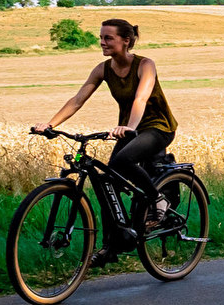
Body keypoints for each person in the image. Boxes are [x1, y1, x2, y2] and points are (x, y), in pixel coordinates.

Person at [32, 19, 179, 260]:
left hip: (156, 127)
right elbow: (78, 99)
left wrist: (129, 128)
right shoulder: (103, 69)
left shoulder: (145, 65)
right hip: (129, 129)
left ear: (126, 41)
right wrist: (50, 124)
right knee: (108, 181)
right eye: (101, 37)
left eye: (108, 38)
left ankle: (157, 200)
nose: (102, 42)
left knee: (123, 162)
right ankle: (112, 246)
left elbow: (140, 99)